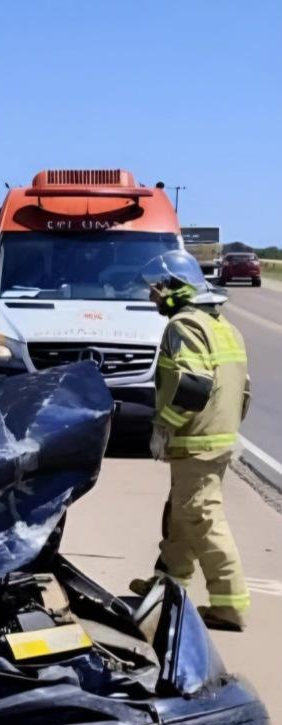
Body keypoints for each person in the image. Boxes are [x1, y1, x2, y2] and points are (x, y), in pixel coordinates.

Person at [128, 250, 252, 631]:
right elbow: (243, 391)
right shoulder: (221, 325)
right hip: (216, 439)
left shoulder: (182, 325)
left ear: (173, 290)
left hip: (196, 440)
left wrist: (164, 427)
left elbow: (193, 386)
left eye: (155, 290)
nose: (151, 297)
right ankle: (168, 586)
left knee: (202, 517)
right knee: (182, 517)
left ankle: (229, 604)